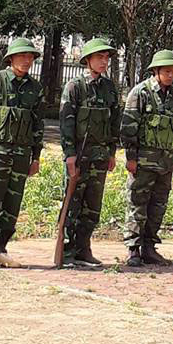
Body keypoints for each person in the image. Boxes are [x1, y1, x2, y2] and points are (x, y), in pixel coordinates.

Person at [0, 37, 44, 268]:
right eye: (22, 55)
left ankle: (1, 249)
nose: (27, 60)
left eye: (30, 56)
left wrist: (36, 157)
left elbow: (38, 125)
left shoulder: (35, 89)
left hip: (22, 156)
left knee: (13, 205)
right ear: (11, 58)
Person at [59, 38, 121, 268]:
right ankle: (66, 251)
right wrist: (69, 155)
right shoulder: (75, 87)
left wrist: (111, 152)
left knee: (93, 205)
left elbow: (114, 123)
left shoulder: (109, 88)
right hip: (79, 155)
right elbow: (66, 123)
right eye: (99, 57)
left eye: (106, 58)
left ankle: (83, 248)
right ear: (88, 60)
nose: (104, 62)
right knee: (72, 204)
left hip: (100, 156)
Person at [120, 50, 173, 266]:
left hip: (165, 163)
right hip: (143, 162)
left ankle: (149, 247)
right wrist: (131, 157)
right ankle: (133, 249)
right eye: (167, 71)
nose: (171, 75)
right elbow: (129, 127)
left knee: (158, 206)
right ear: (156, 71)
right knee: (137, 204)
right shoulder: (141, 93)